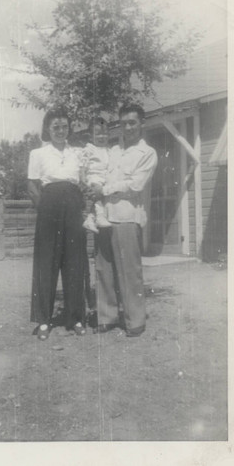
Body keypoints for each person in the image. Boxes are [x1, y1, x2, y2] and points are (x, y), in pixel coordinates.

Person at [91, 103, 158, 337]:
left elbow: (135, 185)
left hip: (127, 217)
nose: (127, 127)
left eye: (132, 122)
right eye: (123, 123)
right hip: (106, 217)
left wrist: (105, 189)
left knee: (130, 271)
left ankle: (135, 320)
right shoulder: (113, 151)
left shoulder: (147, 153)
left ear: (142, 124)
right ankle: (107, 317)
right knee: (104, 268)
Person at [27, 108, 86, 341]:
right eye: (55, 127)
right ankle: (43, 320)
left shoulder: (79, 153)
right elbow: (32, 186)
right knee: (46, 264)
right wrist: (44, 208)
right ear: (48, 129)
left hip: (73, 206)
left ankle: (76, 318)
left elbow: (85, 181)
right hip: (49, 207)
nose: (61, 131)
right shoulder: (38, 154)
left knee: (74, 262)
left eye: (64, 126)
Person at [82, 117, 112, 234]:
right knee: (98, 198)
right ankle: (99, 218)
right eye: (98, 134)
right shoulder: (90, 148)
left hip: (104, 179)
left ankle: (90, 219)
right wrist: (83, 177)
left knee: (100, 199)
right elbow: (83, 164)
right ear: (91, 136)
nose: (101, 137)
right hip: (94, 177)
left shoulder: (108, 150)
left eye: (104, 134)